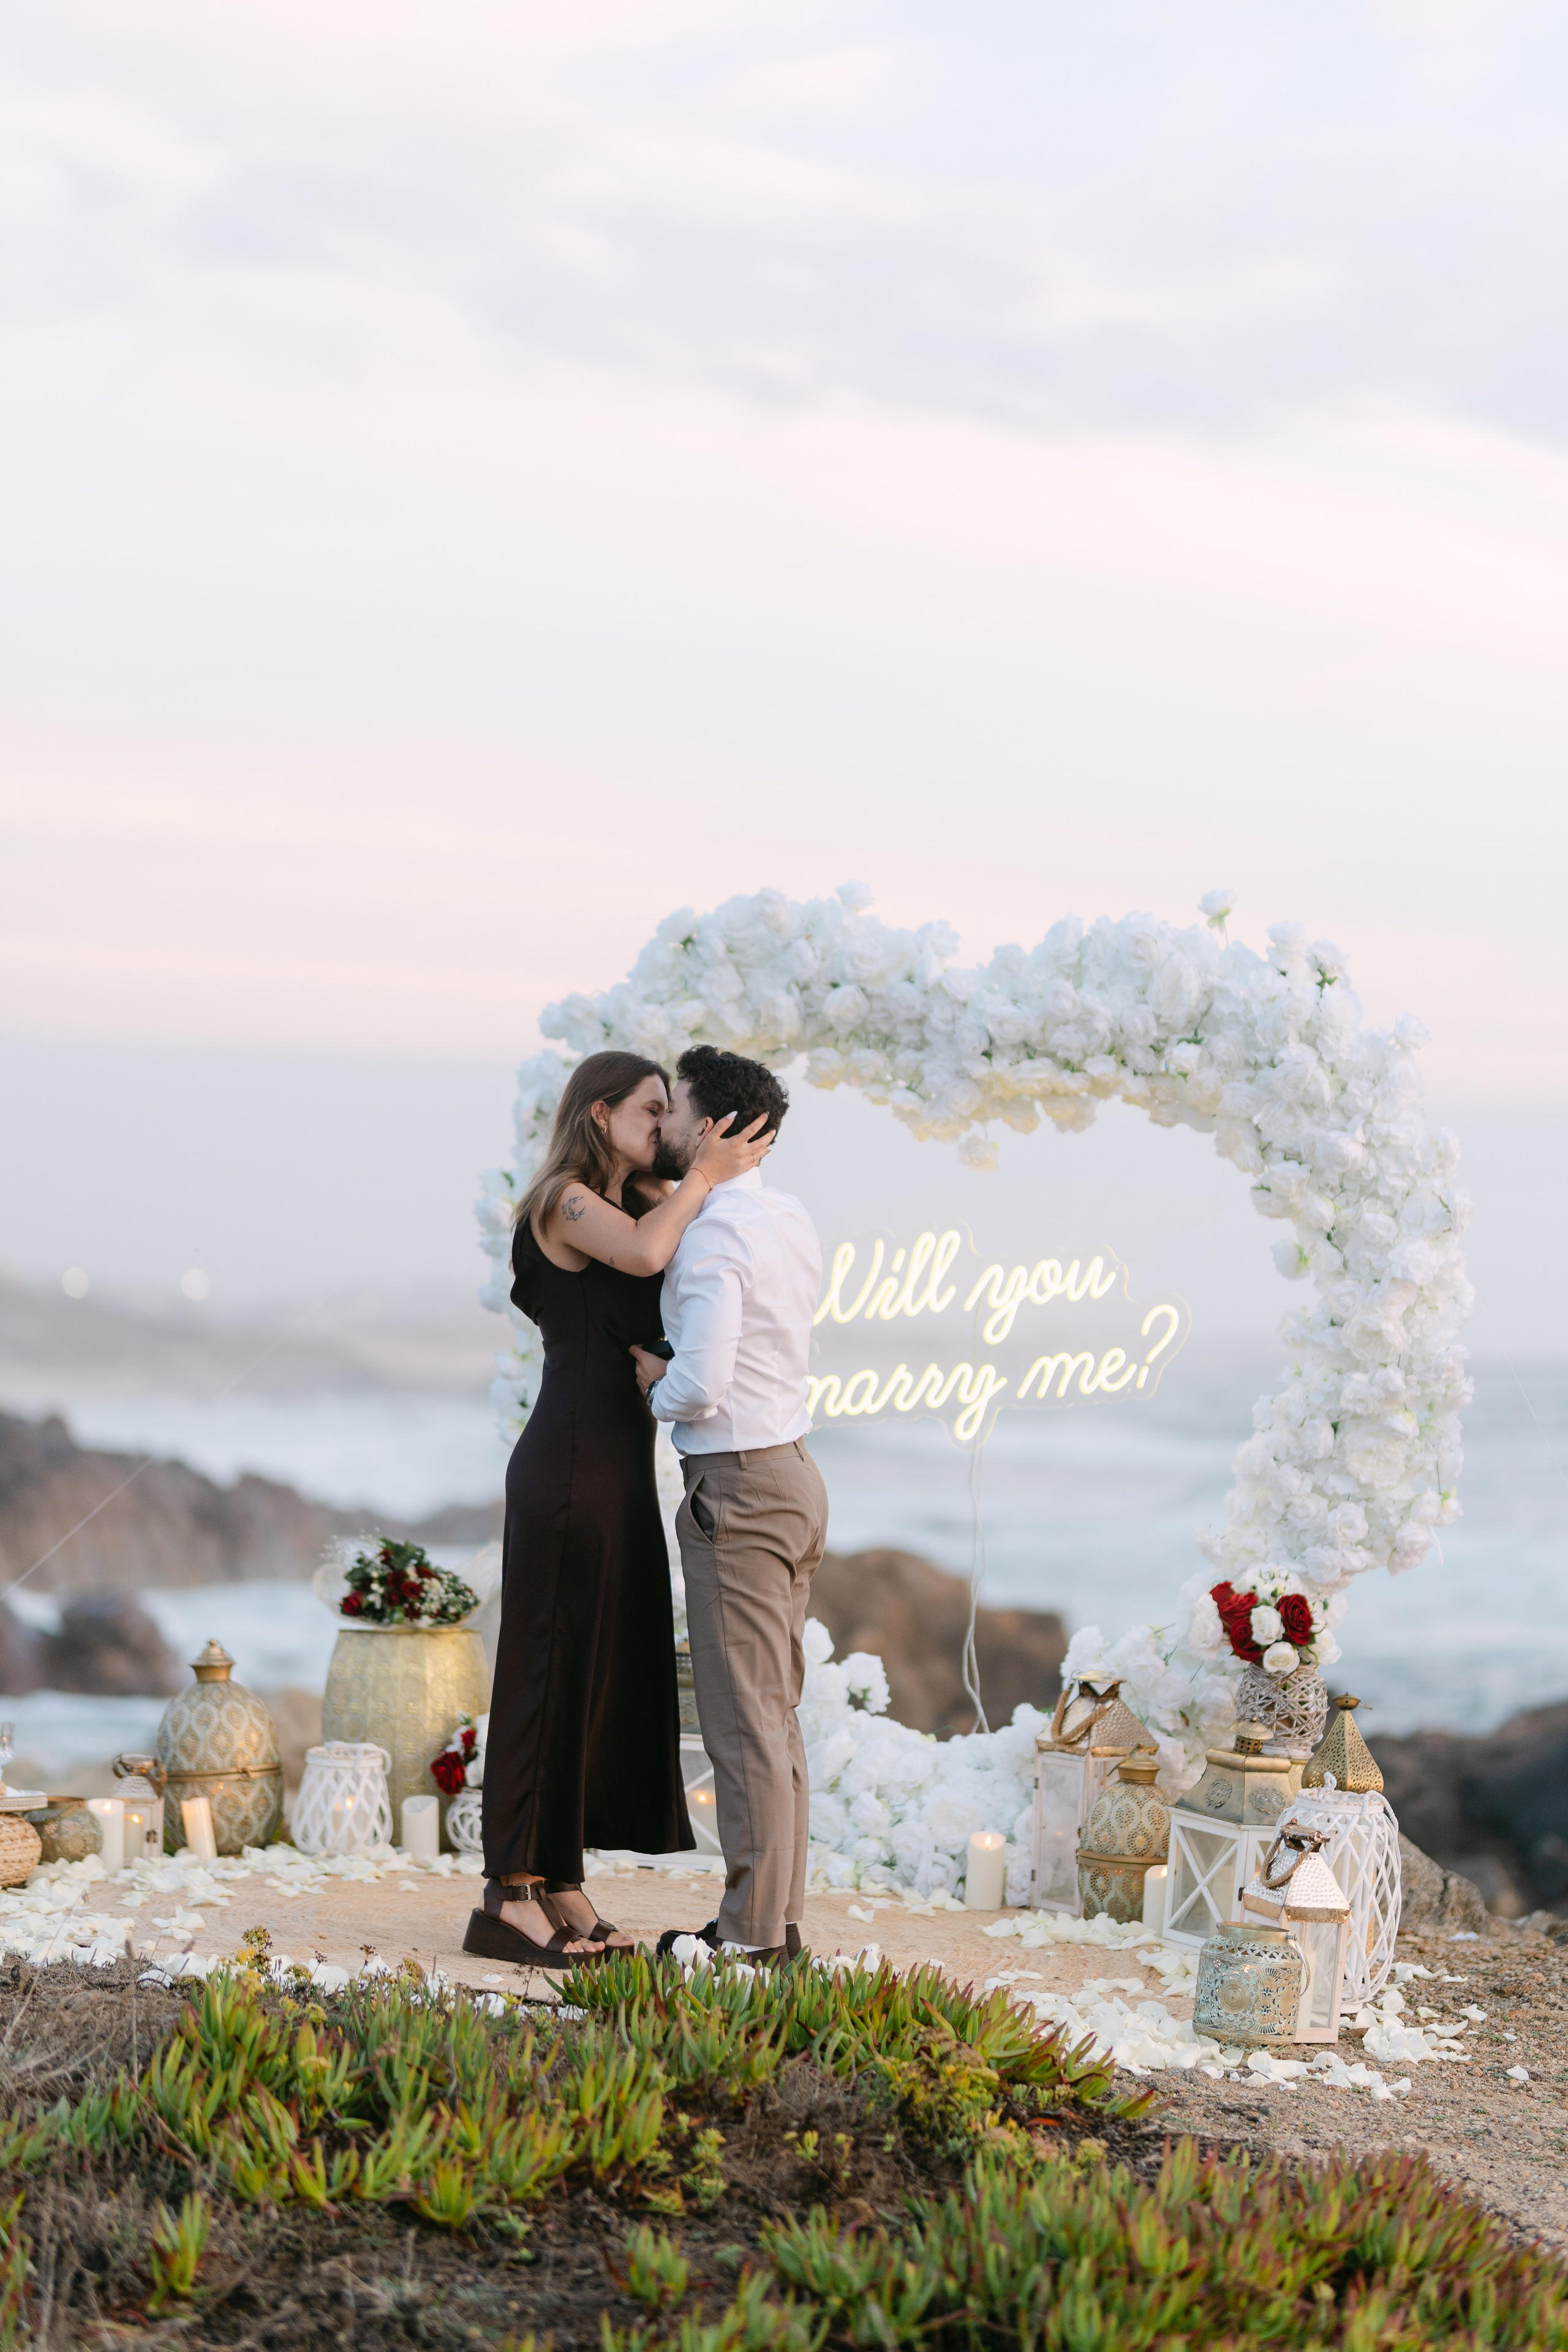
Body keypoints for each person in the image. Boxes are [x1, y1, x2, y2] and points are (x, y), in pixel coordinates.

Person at [464, 1049, 774, 1969]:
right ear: (599, 1113)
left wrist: (716, 1169)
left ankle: (559, 1882)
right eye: (649, 1108)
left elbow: (692, 1263)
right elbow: (642, 1255)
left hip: (621, 1468)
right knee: (545, 1671)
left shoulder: (646, 1199)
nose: (663, 1124)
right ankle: (507, 1894)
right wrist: (706, 1174)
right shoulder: (564, 1201)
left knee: (595, 1677)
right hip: (567, 1464)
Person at [630, 1046, 827, 1967]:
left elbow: (703, 1385)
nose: (663, 1124)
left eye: (673, 1110)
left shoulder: (712, 1237)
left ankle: (750, 1939)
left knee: (742, 1723)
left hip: (739, 1490)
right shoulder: (788, 1217)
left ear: (710, 1127)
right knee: (774, 1717)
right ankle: (775, 1928)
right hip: (794, 1475)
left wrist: (654, 1381)